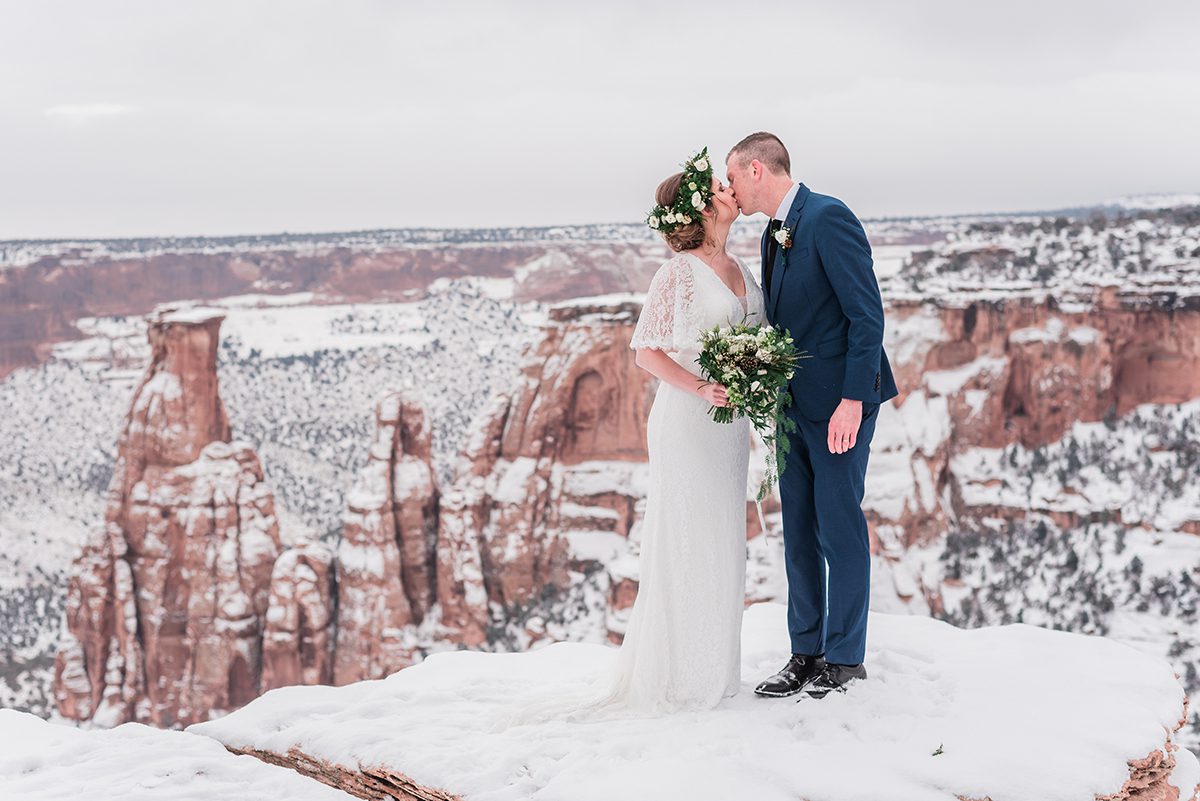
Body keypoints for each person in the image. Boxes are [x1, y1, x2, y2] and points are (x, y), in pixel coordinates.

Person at [725, 131, 898, 699]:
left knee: (837, 526)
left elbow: (866, 317)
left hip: (841, 407)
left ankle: (845, 661)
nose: (729, 190)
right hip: (793, 407)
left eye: (732, 178)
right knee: (797, 531)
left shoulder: (829, 218)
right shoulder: (774, 236)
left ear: (756, 169)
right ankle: (806, 653)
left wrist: (853, 401)